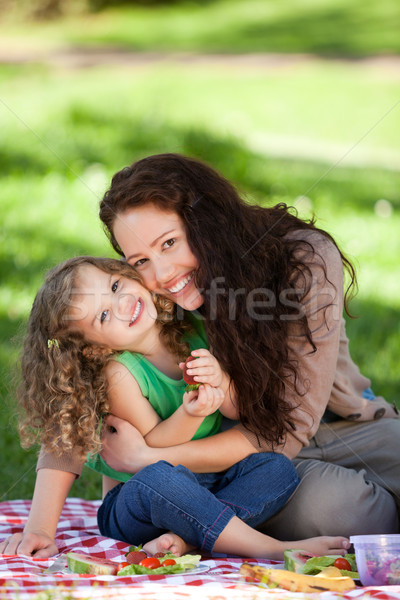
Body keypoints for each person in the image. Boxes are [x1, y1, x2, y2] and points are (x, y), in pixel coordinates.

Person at [94, 153, 400, 539]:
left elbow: (294, 427)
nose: (162, 274)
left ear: (207, 221)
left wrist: (147, 458)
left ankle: (204, 525)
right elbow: (76, 358)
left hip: (343, 425)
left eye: (170, 242)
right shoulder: (145, 297)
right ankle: (218, 523)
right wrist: (42, 519)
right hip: (242, 457)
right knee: (349, 514)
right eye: (139, 260)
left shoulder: (302, 259)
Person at [0, 255, 348, 559]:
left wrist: (223, 386)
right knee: (161, 477)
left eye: (116, 286)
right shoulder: (119, 373)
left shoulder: (191, 329)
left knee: (276, 468)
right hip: (139, 499)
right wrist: (190, 413)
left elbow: (237, 411)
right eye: (104, 315)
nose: (122, 303)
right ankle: (269, 548)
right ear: (94, 349)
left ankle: (187, 542)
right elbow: (154, 447)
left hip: (201, 484)